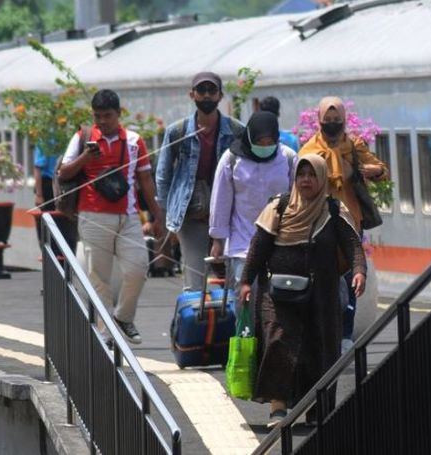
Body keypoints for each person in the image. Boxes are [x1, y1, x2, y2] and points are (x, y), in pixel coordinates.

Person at [238, 154, 366, 427]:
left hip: (321, 296)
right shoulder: (279, 207)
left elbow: (353, 245)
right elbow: (258, 247)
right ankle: (278, 408)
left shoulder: (332, 210)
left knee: (317, 349)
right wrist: (246, 281)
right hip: (276, 294)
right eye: (301, 175)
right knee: (277, 342)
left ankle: (315, 410)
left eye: (312, 175)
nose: (306, 180)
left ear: (321, 178)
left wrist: (359, 271)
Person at [58, 89, 164, 344]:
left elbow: (146, 179)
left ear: (119, 114)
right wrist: (86, 157)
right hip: (93, 217)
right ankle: (106, 335)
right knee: (100, 277)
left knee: (138, 268)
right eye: (97, 116)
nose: (102, 121)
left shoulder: (134, 140)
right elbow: (63, 173)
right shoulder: (83, 138)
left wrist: (157, 215)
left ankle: (123, 317)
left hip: (128, 217)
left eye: (107, 116)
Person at [299, 96, 389, 352]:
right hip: (319, 224)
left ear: (344, 120)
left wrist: (374, 171)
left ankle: (346, 333)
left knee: (351, 279)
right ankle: (322, 333)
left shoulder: (355, 146)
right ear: (319, 121)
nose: (333, 124)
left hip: (350, 223)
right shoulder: (309, 150)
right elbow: (300, 181)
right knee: (322, 280)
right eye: (328, 120)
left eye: (337, 120)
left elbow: (382, 170)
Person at [155, 72, 239, 292]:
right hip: (191, 212)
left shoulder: (237, 130)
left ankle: (231, 325)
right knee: (194, 280)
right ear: (192, 94)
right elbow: (163, 174)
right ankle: (194, 324)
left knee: (236, 279)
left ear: (221, 95)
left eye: (212, 91)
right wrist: (167, 216)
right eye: (201, 91)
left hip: (229, 215)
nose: (207, 96)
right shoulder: (177, 131)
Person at [209, 111, 297, 283]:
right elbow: (221, 201)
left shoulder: (288, 158)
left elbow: (298, 198)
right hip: (243, 243)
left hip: (281, 242)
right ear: (249, 138)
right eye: (259, 142)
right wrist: (217, 240)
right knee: (245, 295)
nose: (265, 147)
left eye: (270, 142)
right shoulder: (231, 159)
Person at [32, 145, 77, 254]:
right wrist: (39, 194)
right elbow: (38, 167)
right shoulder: (46, 138)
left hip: (66, 183)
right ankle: (54, 253)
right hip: (49, 184)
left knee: (66, 222)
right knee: (53, 221)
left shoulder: (68, 136)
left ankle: (64, 253)